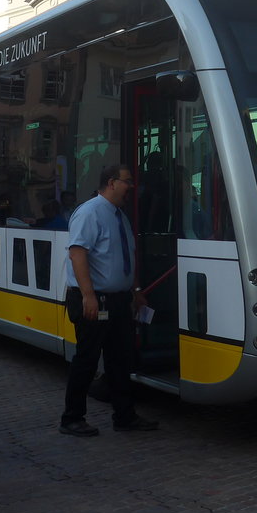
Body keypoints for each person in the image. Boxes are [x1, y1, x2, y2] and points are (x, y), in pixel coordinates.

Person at [59, 164, 158, 438]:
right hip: (95, 299)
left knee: (120, 360)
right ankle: (72, 418)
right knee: (87, 359)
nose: (131, 187)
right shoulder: (90, 212)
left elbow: (126, 257)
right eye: (127, 182)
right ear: (112, 182)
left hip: (118, 299)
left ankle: (124, 416)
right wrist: (89, 296)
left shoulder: (120, 217)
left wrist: (135, 290)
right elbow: (77, 254)